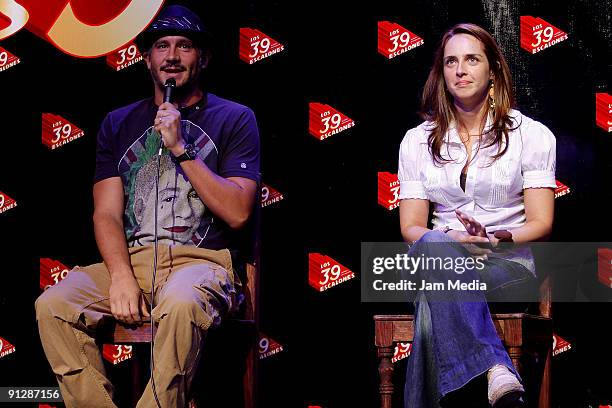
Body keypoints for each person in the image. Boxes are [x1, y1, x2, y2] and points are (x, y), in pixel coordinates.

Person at [35, 5, 260, 407]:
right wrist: (120, 275)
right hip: (133, 261)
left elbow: (239, 211)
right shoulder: (117, 122)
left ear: (202, 57)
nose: (172, 56)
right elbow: (105, 213)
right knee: (54, 305)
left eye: (185, 46)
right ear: (147, 58)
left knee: (181, 302)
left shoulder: (235, 118)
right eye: (161, 46)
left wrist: (180, 148)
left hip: (202, 263)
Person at [397, 23, 556, 407]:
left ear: (493, 71)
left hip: (503, 262)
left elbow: (541, 222)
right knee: (434, 244)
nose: (460, 70)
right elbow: (411, 227)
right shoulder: (418, 140)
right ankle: (495, 369)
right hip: (438, 254)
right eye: (451, 61)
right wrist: (450, 242)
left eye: (472, 59)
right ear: (442, 73)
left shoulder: (530, 136)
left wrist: (496, 238)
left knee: (429, 307)